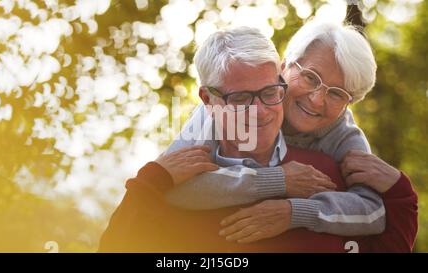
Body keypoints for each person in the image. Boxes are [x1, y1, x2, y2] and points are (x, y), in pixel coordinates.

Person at [99, 26, 417, 252]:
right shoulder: (212, 113)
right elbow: (172, 185)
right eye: (310, 78)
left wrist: (295, 212)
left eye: (336, 94)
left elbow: (373, 214)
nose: (317, 101)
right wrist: (276, 181)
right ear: (285, 68)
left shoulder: (342, 138)